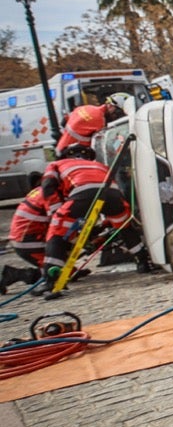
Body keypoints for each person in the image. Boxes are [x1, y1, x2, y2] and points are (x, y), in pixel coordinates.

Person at [37, 145, 133, 295]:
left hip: (81, 193)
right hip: (112, 195)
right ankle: (143, 262)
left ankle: (50, 281)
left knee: (56, 233)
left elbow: (48, 187)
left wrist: (56, 213)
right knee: (124, 226)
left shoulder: (56, 165)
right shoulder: (99, 165)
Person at [54, 96, 127, 157]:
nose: (115, 115)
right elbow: (102, 143)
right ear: (110, 106)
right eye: (117, 111)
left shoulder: (86, 107)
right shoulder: (100, 121)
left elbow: (64, 121)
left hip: (62, 148)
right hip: (74, 154)